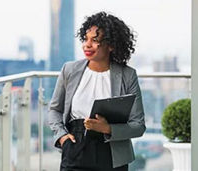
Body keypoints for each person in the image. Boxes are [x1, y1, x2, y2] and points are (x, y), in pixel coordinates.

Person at [48, 11, 146, 171]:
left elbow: (138, 125)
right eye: (85, 39)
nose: (87, 45)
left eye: (95, 40)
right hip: (74, 148)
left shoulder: (127, 75)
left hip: (112, 154)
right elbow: (54, 110)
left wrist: (107, 129)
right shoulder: (69, 70)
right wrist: (62, 137)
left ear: (111, 45)